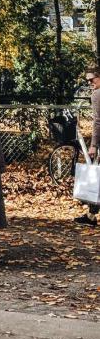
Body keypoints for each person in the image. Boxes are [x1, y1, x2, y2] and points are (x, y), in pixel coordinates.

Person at [74, 68, 100, 227]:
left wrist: (94, 145)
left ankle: (91, 215)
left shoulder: (97, 95)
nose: (90, 83)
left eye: (92, 79)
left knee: (97, 179)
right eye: (88, 80)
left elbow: (98, 122)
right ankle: (91, 215)